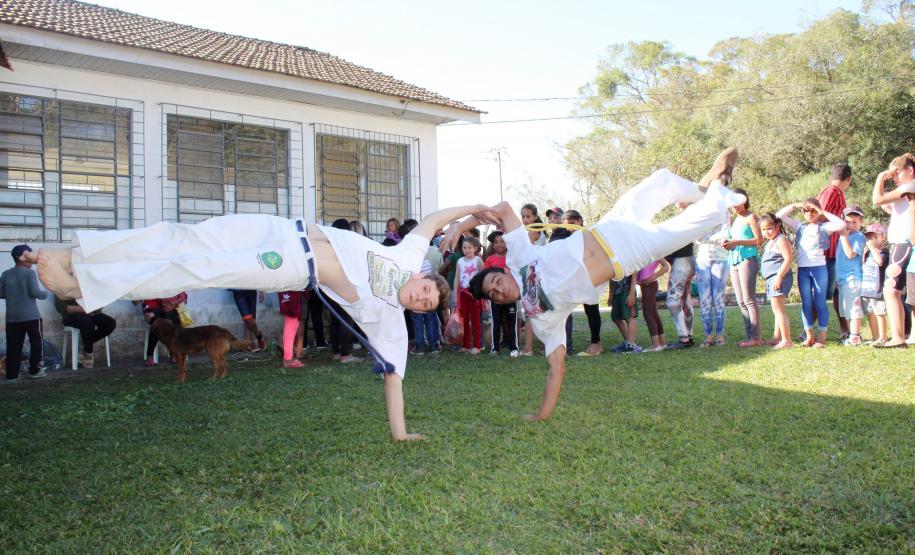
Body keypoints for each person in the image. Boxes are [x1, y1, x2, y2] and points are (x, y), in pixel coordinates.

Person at [32, 204, 479, 441]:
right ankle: (79, 258)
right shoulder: (405, 255)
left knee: (199, 267)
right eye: (425, 292)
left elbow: (395, 381)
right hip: (283, 228)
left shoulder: (388, 320)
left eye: (423, 307)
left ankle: (83, 288)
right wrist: (477, 209)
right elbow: (439, 218)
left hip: (285, 262)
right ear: (422, 277)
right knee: (186, 236)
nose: (420, 300)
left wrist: (400, 434)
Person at [463, 148, 742, 421]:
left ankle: (702, 191)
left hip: (609, 227)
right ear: (500, 302)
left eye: (496, 281)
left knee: (660, 182)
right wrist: (541, 415)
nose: (499, 290)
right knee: (693, 224)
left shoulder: (520, 257)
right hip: (627, 255)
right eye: (495, 295)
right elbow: (556, 368)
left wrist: (460, 224)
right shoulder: (541, 318)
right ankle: (717, 188)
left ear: (505, 272)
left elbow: (502, 209)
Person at [776, 199, 846, 348]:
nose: (809, 214)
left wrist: (821, 211)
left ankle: (822, 338)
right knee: (806, 302)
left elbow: (841, 224)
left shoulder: (824, 227)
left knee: (820, 302)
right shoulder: (800, 226)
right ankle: (809, 337)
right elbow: (779, 215)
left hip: (819, 268)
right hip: (803, 269)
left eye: (813, 211)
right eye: (806, 211)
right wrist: (795, 205)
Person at [872, 154, 915, 348]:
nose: (894, 177)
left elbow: (877, 200)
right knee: (896, 291)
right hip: (900, 243)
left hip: (904, 243)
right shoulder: (904, 190)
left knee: (891, 289)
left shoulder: (909, 187)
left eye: (897, 173)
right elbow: (888, 207)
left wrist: (881, 177)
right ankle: (901, 336)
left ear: (910, 171)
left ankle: (898, 338)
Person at [0, 244, 48, 382]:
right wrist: (45, 294)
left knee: (13, 346)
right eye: (30, 255)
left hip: (12, 317)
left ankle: (12, 375)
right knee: (37, 343)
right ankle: (35, 370)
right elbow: (35, 292)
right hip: (31, 316)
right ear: (21, 258)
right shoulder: (30, 273)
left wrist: (14, 293)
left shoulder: (5, 274)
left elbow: (1, 293)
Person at [561, 210, 604, 357]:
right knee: (585, 309)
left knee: (592, 309)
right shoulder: (571, 239)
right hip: (579, 278)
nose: (570, 228)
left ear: (580, 220)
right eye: (567, 226)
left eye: (572, 224)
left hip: (592, 277)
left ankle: (596, 344)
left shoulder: (590, 235)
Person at [723, 188, 762, 347]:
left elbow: (759, 240)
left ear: (744, 200)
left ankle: (756, 337)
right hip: (734, 259)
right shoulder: (733, 219)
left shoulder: (751, 217)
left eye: (737, 201)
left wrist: (737, 242)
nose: (734, 205)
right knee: (740, 300)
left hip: (747, 258)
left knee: (749, 299)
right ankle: (749, 336)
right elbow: (731, 239)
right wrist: (727, 244)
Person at [817, 163, 853, 339]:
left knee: (838, 291)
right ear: (848, 179)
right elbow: (818, 215)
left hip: (836, 251)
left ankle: (845, 329)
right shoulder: (830, 192)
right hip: (827, 252)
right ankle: (808, 331)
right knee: (823, 292)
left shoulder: (837, 193)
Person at [758, 213, 794, 349]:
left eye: (769, 228)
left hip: (779, 278)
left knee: (779, 309)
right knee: (776, 309)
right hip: (771, 279)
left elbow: (788, 258)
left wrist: (779, 277)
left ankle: (786, 340)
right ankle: (776, 337)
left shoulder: (781, 239)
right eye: (763, 229)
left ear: (777, 227)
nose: (766, 232)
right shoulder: (771, 242)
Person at [54, 296, 116, 369]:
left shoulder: (86, 286)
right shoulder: (60, 287)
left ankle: (84, 344)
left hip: (90, 314)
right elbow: (62, 307)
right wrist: (85, 309)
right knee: (87, 322)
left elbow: (96, 306)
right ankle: (88, 353)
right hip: (71, 316)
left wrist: (99, 305)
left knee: (110, 323)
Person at [835, 206, 867, 346]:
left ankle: (855, 336)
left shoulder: (858, 237)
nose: (851, 225)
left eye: (855, 222)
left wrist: (843, 237)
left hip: (852, 277)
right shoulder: (845, 236)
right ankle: (850, 334)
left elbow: (850, 254)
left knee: (854, 307)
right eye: (848, 221)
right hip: (842, 278)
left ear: (861, 222)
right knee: (846, 308)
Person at [484, 231, 518, 356]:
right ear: (492, 245)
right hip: (495, 297)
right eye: (496, 242)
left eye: (502, 241)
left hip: (510, 297)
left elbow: (516, 276)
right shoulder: (489, 260)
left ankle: (514, 347)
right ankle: (495, 348)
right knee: (496, 322)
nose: (499, 244)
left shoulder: (512, 258)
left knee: (511, 322)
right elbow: (486, 279)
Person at [694, 223, 729, 347]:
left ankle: (720, 336)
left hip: (720, 259)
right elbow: (696, 238)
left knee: (718, 299)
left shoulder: (724, 215)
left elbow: (725, 236)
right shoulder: (702, 217)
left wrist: (706, 237)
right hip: (702, 260)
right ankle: (708, 337)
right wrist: (713, 237)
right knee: (704, 301)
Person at [859, 223, 889, 345]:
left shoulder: (884, 252)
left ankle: (883, 336)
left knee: (880, 313)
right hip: (867, 287)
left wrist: (871, 248)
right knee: (870, 312)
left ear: (883, 237)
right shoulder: (868, 252)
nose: (872, 240)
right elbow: (862, 265)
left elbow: (880, 262)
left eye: (876, 237)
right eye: (870, 237)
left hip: (877, 288)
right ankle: (875, 336)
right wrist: (865, 252)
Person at [454, 236, 484, 354]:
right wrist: (456, 296)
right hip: (463, 294)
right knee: (464, 320)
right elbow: (457, 278)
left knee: (476, 320)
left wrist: (480, 293)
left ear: (475, 248)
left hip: (474, 295)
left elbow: (483, 277)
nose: (467, 250)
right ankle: (466, 345)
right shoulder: (460, 261)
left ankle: (477, 345)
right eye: (464, 247)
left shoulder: (478, 260)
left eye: (469, 247)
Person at [141, 292, 186, 365]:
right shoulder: (146, 286)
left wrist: (173, 304)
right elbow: (135, 302)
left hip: (167, 310)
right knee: (157, 324)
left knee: (173, 319)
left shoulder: (172, 285)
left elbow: (184, 299)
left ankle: (173, 353)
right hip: (153, 312)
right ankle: (150, 355)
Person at [638, 259, 670, 352]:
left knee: (647, 313)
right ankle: (662, 343)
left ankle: (655, 345)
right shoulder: (643, 252)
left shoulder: (654, 251)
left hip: (650, 284)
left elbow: (666, 266)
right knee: (653, 314)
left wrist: (653, 277)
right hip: (645, 285)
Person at [608, 271, 640, 353]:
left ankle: (632, 345)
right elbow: (610, 275)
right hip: (616, 292)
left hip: (627, 290)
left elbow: (634, 273)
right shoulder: (611, 258)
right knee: (615, 318)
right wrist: (610, 294)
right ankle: (628, 342)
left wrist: (632, 293)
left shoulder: (629, 258)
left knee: (629, 317)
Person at [278, 289, 304, 368]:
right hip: (289, 289)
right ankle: (288, 359)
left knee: (293, 322)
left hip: (290, 289)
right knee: (291, 321)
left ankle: (288, 358)